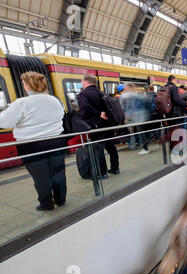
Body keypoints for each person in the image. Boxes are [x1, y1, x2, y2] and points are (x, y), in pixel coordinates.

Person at [0, 71, 67, 211]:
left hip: (32, 146)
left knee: (41, 177)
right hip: (56, 142)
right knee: (58, 172)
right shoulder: (55, 100)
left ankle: (46, 204)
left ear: (28, 86)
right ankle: (60, 200)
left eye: (24, 83)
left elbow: (5, 123)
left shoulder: (22, 103)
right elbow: (62, 114)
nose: (23, 86)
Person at [78, 74, 119, 176]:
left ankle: (102, 172)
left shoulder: (84, 94)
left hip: (95, 125)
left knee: (98, 149)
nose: (81, 84)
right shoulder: (101, 92)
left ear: (86, 82)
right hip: (107, 124)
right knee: (111, 147)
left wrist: (98, 114)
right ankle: (115, 168)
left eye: (82, 82)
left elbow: (84, 107)